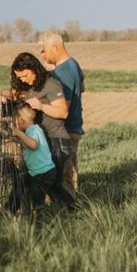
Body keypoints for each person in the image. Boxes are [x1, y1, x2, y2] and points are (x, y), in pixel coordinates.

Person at [5, 52, 72, 188]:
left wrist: (41, 106)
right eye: (19, 77)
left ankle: (72, 209)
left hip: (55, 140)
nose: (23, 80)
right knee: (37, 185)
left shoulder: (51, 85)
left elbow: (63, 112)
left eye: (25, 75)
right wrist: (4, 98)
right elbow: (9, 94)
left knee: (56, 187)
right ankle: (42, 209)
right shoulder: (25, 86)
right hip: (37, 141)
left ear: (34, 69)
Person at [37, 31, 85, 197]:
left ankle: (70, 215)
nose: (41, 53)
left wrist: (39, 104)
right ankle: (73, 210)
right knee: (69, 174)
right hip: (74, 127)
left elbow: (62, 106)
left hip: (65, 130)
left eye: (43, 49)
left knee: (64, 178)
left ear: (55, 48)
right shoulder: (72, 64)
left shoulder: (63, 72)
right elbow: (82, 89)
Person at [10, 103, 74, 209]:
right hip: (46, 171)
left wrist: (19, 133)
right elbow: (29, 145)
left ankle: (41, 220)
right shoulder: (35, 129)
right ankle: (71, 207)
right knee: (56, 192)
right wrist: (18, 139)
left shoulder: (32, 130)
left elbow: (33, 145)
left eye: (15, 121)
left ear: (20, 120)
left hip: (42, 173)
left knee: (37, 199)